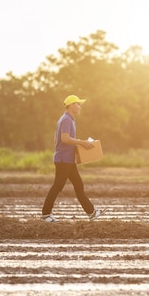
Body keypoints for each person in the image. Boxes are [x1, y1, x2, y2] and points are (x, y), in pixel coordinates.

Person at [41, 94, 105, 223]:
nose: (80, 107)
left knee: (78, 185)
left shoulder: (67, 119)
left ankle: (91, 212)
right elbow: (64, 139)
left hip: (67, 159)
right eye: (78, 104)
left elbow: (57, 139)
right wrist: (81, 143)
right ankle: (45, 214)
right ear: (70, 106)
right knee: (58, 186)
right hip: (63, 160)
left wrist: (76, 149)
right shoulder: (66, 120)